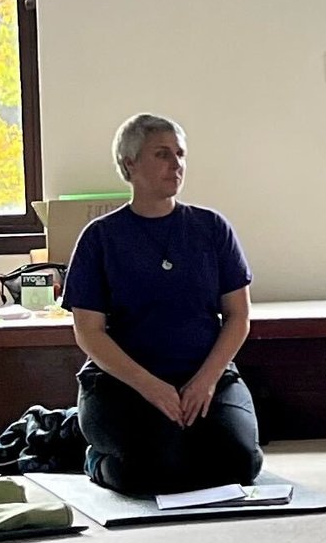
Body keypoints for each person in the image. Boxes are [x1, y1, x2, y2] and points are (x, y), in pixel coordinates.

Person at [64, 113, 264, 498]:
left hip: (206, 378)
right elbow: (89, 332)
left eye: (180, 154)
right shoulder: (100, 238)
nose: (176, 164)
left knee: (240, 464)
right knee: (155, 470)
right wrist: (150, 387)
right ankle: (93, 458)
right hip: (123, 385)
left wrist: (206, 381)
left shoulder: (211, 227)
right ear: (130, 164)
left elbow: (238, 317)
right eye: (162, 154)